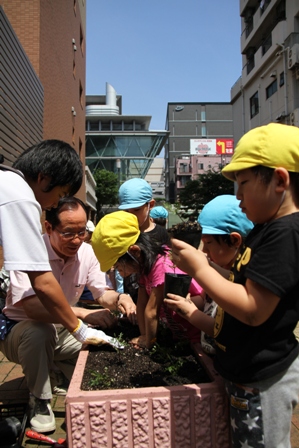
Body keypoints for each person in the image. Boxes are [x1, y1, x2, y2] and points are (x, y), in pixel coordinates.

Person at [170, 123, 299, 447]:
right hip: (246, 371)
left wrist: (201, 269)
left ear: (280, 181)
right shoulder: (267, 229)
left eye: (242, 185)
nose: (237, 197)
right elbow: (242, 283)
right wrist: (209, 266)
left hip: (262, 376)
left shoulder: (284, 234)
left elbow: (253, 309)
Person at [0, 141, 122, 431]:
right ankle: (40, 398)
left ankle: (58, 373)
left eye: (82, 232)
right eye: (60, 192)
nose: (54, 202)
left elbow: (101, 290)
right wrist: (79, 324)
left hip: (57, 330)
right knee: (41, 332)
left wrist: (120, 300)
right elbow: (39, 287)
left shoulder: (8, 185)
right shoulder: (20, 196)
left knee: (101, 339)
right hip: (24, 330)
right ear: (43, 177)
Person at [92, 211, 203, 349]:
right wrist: (144, 335)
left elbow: (151, 311)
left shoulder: (161, 265)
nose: (118, 271)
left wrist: (149, 342)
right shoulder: (144, 266)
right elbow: (141, 303)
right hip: (173, 332)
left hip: (192, 335)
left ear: (134, 251)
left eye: (118, 266)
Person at [164, 195, 253, 355]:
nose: (204, 250)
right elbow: (204, 299)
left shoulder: (243, 285)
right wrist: (185, 302)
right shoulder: (216, 271)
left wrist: (190, 313)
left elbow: (222, 330)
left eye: (209, 243)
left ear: (234, 240)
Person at [118, 178, 170, 302]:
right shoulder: (120, 232)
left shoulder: (161, 234)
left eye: (136, 210)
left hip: (155, 299)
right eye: (126, 211)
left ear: (150, 205)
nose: (131, 215)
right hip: (129, 299)